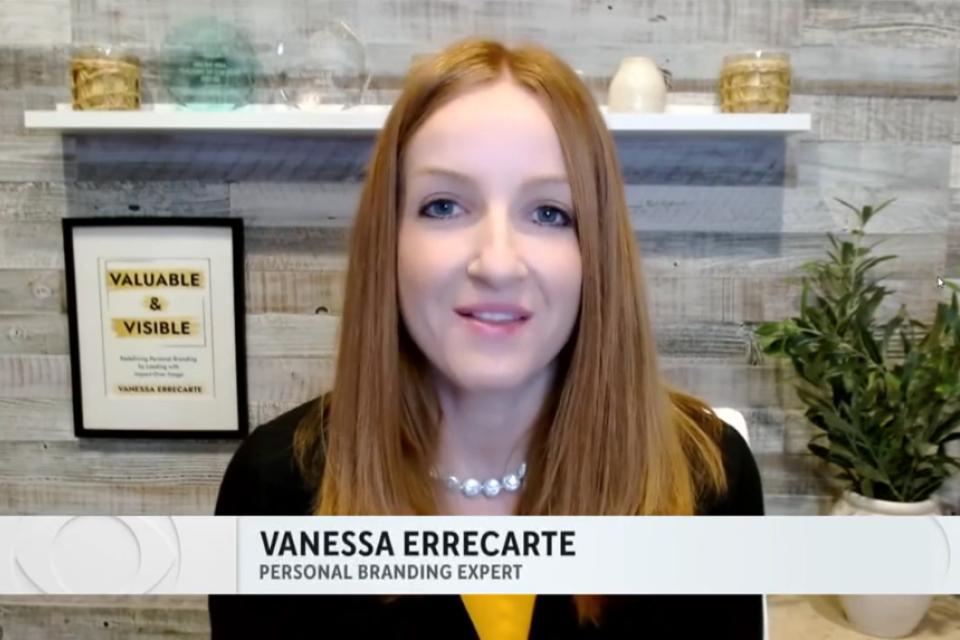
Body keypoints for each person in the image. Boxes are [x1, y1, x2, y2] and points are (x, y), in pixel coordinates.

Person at [209, 36, 765, 639]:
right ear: (387, 242)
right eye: (444, 206)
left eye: (550, 212)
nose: (498, 264)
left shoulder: (709, 481)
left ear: (595, 253)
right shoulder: (274, 488)